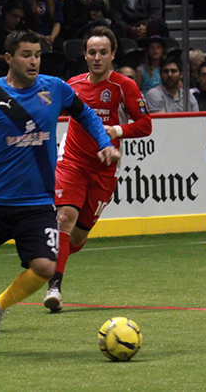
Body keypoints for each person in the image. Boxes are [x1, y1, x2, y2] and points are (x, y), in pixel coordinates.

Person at [0, 31, 120, 353]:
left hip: (36, 202)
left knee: (45, 267)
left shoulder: (55, 88)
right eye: (25, 55)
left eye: (37, 54)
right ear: (8, 58)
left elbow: (85, 113)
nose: (33, 61)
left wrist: (104, 143)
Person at [43, 26, 152, 312]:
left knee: (77, 236)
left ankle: (57, 254)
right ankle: (54, 286)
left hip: (104, 169)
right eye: (92, 52)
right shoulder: (73, 85)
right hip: (72, 162)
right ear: (85, 54)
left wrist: (114, 130)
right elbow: (50, 112)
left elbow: (145, 124)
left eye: (103, 52)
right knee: (64, 217)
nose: (97, 57)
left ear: (113, 54)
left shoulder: (124, 86)